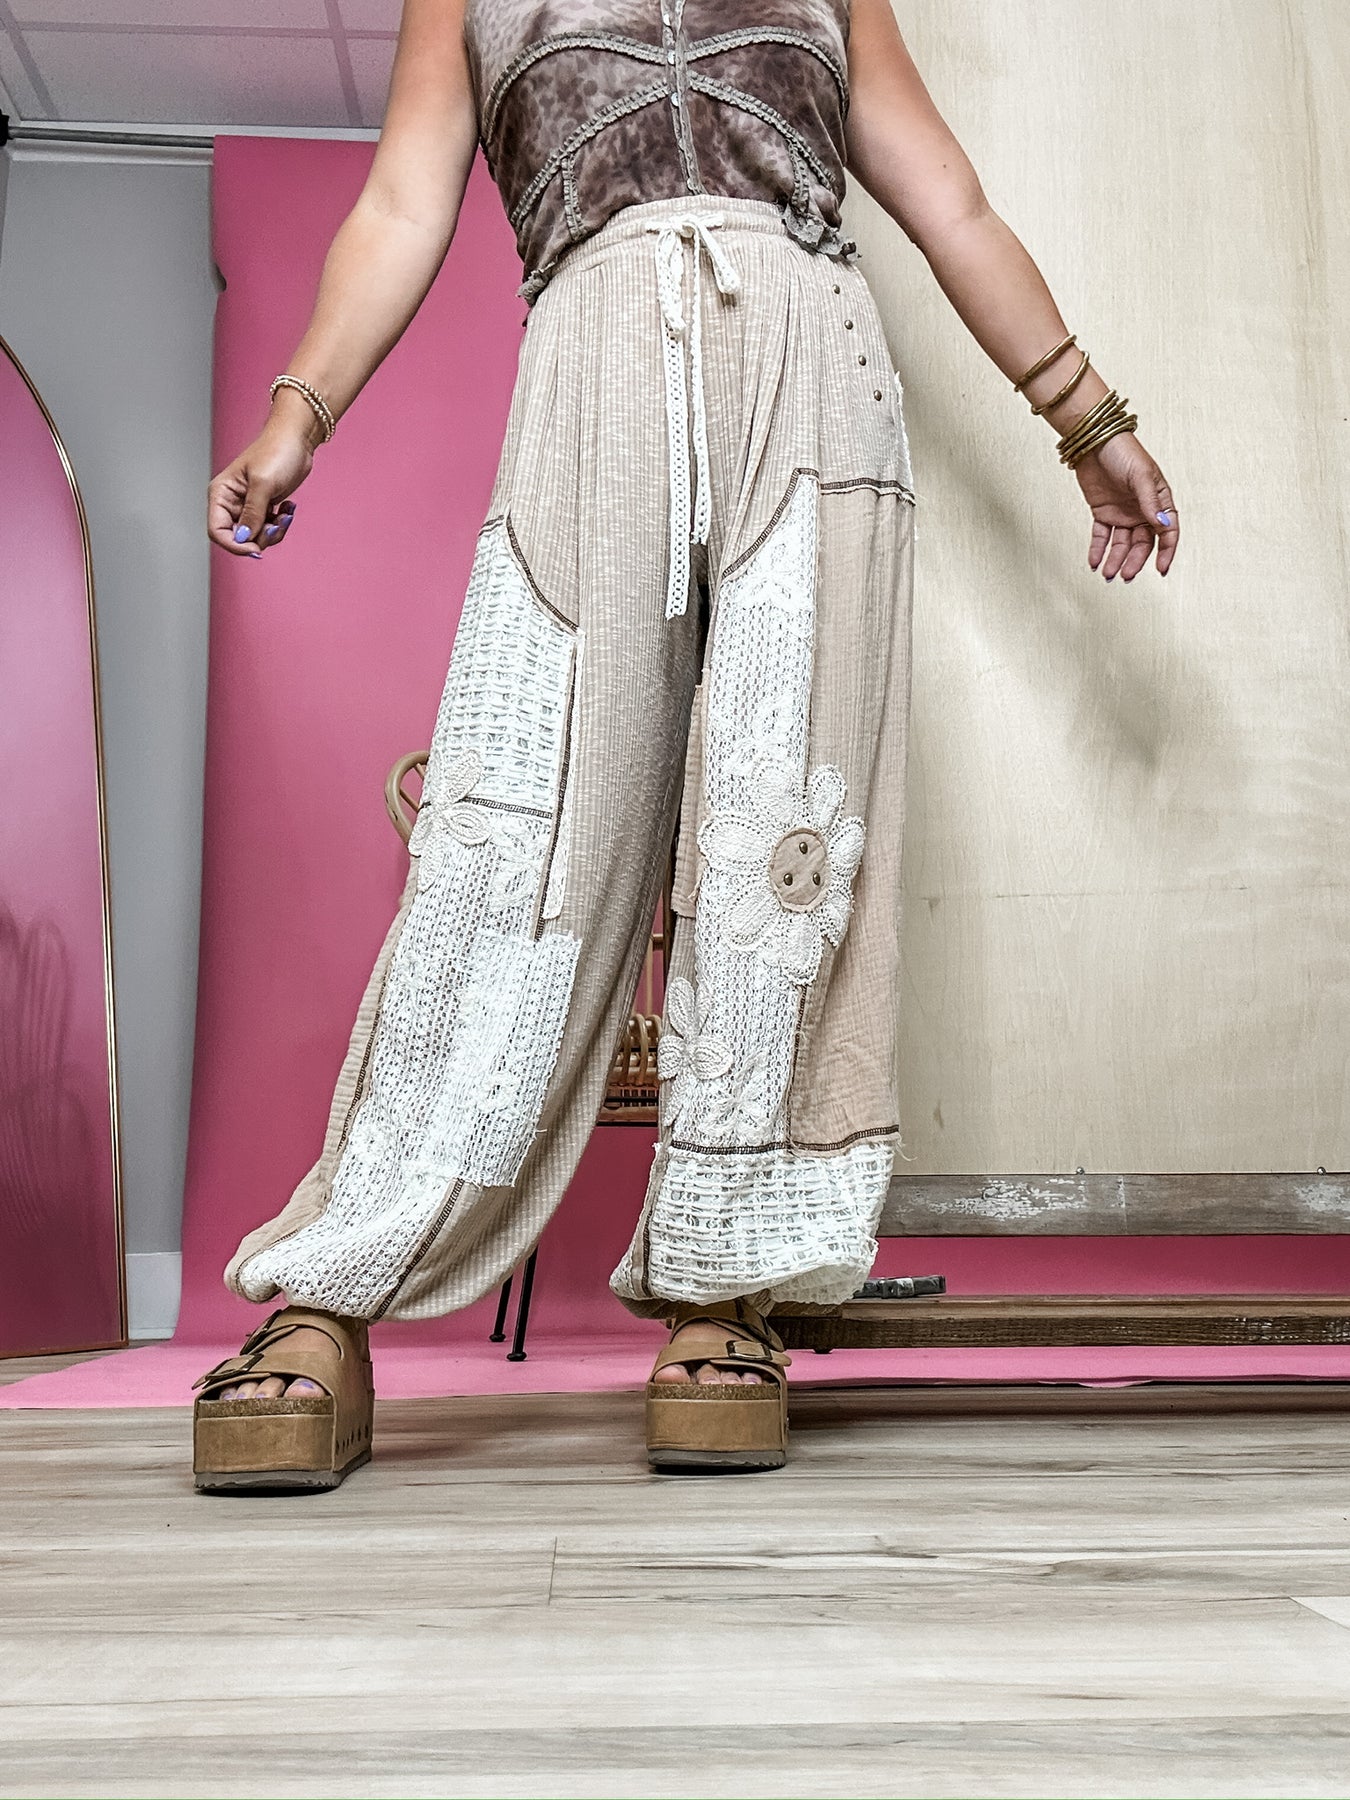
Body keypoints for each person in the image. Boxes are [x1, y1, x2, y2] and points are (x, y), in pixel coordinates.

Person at [195, 0, 1179, 1490]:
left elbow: (951, 202)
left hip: (814, 382)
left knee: (781, 843)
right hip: (588, 378)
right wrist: (299, 416)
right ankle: (333, 1286)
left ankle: (729, 1286)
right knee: (510, 831)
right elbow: (401, 204)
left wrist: (1085, 419)